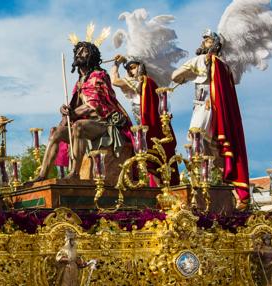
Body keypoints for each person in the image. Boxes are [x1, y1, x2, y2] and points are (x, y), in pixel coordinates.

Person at [171, 30, 250, 209]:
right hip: (216, 111)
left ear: (213, 44)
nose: (204, 42)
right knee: (213, 147)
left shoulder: (203, 60)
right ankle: (220, 182)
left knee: (195, 139)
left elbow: (174, 75)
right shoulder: (224, 65)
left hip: (204, 107)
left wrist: (184, 77)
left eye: (207, 40)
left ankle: (200, 179)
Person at [33, 40, 132, 181]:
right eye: (77, 51)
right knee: (56, 132)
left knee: (78, 126)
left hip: (102, 124)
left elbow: (95, 105)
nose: (79, 53)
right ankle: (42, 175)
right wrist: (64, 109)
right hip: (85, 125)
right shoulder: (80, 82)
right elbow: (73, 106)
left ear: (92, 56)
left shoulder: (99, 75)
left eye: (84, 51)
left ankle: (74, 173)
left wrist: (74, 113)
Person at [111, 55, 180, 186]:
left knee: (155, 164)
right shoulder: (137, 86)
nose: (131, 71)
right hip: (142, 132)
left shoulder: (143, 82)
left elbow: (114, 81)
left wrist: (116, 63)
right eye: (129, 69)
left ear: (141, 66)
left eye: (133, 67)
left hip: (152, 132)